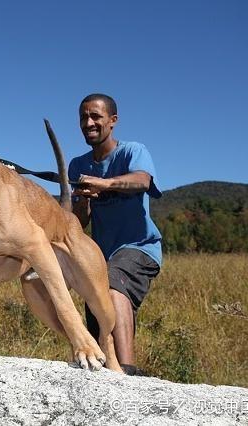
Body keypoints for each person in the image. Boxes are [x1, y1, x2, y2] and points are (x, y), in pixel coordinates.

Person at [68, 93, 162, 376]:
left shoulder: (133, 151)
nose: (89, 123)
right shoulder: (77, 166)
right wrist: (83, 201)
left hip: (140, 248)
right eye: (83, 117)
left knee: (112, 285)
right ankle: (107, 374)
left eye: (96, 116)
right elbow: (79, 222)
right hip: (100, 256)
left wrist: (104, 184)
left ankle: (127, 374)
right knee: (98, 314)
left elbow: (143, 181)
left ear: (113, 120)